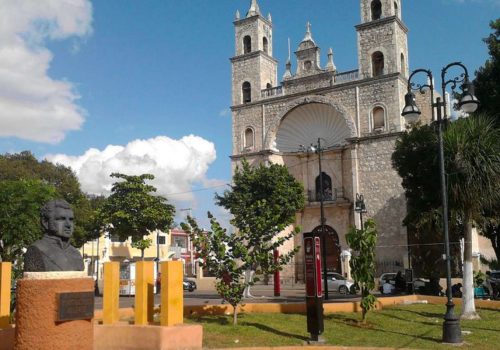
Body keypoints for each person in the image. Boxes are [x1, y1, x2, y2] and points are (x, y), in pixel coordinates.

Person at [24, 199, 84, 272]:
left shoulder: (76, 254)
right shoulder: (37, 250)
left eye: (71, 220)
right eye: (61, 219)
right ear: (45, 222)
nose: (68, 225)